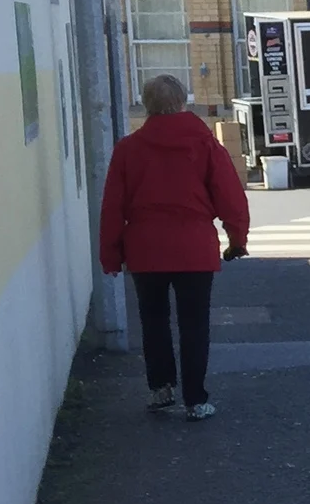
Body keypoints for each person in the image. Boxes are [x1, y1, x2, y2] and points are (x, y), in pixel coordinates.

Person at [99, 75, 249, 420]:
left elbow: (112, 207)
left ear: (147, 104)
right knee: (194, 324)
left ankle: (161, 389)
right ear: (183, 102)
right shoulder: (205, 144)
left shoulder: (128, 149)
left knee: (154, 322)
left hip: (146, 248)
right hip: (194, 247)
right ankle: (196, 399)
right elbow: (230, 199)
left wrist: (110, 255)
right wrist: (236, 240)